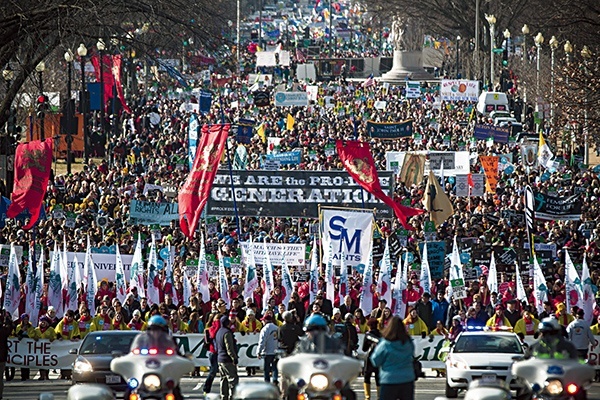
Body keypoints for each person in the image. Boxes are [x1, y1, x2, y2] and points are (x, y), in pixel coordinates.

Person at [370, 316, 416, 400]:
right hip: (407, 378)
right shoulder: (408, 343)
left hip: (389, 379)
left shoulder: (385, 344)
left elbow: (375, 361)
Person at [214, 316, 239, 400]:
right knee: (232, 379)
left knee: (223, 379)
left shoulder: (218, 332)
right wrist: (234, 358)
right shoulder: (227, 333)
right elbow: (229, 347)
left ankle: (224, 396)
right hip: (227, 359)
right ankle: (233, 396)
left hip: (220, 358)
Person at [362, 318, 381, 400]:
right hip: (379, 358)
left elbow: (364, 348)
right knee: (378, 378)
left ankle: (367, 397)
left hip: (369, 358)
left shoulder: (368, 334)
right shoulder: (381, 334)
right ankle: (379, 397)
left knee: (367, 377)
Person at [257, 314, 279, 384]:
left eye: (263, 320)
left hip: (267, 351)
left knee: (266, 368)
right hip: (276, 351)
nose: (262, 322)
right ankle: (275, 379)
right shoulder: (277, 328)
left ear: (266, 321)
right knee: (275, 367)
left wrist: (258, 351)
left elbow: (262, 341)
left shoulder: (265, 329)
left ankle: (267, 382)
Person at [0, 312, 12, 398]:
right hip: (2, 357)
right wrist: (8, 321)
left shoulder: (3, 331)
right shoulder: (3, 330)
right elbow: (10, 329)